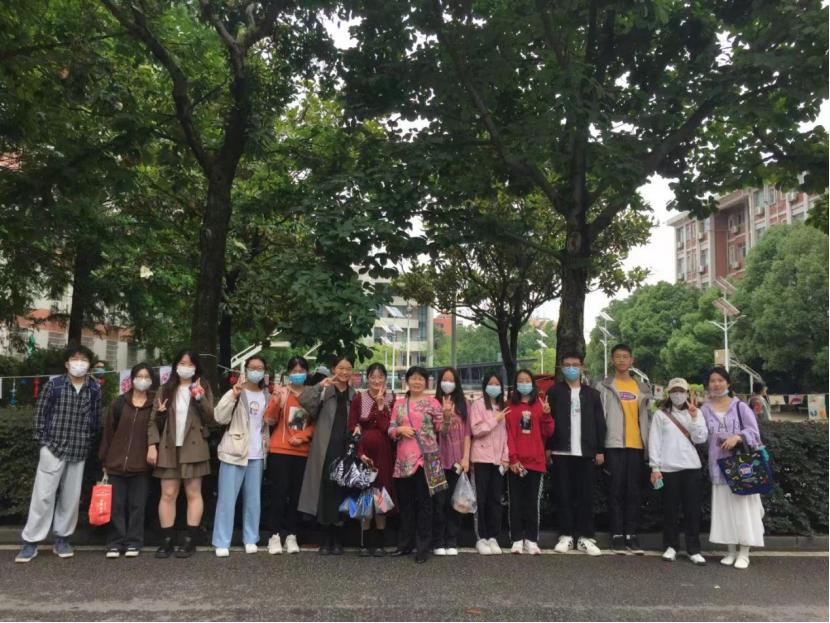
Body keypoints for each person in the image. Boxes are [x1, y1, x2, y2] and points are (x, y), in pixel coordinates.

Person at [15, 345, 103, 563]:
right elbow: (40, 415)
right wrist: (44, 443)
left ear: (89, 365)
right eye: (75, 359)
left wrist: (87, 441)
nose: (79, 363)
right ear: (67, 363)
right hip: (53, 448)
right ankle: (31, 541)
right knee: (43, 496)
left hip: (79, 449)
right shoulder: (54, 385)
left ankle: (63, 539)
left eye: (84, 360)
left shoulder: (94, 389)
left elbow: (95, 420)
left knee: (70, 498)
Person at [147, 350, 214, 558]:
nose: (186, 367)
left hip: (194, 446)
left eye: (190, 364)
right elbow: (152, 420)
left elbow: (212, 417)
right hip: (168, 446)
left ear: (196, 367)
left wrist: (200, 397)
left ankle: (189, 540)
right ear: (175, 366)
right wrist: (152, 445)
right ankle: (166, 540)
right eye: (182, 363)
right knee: (168, 493)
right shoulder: (165, 388)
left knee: (193, 493)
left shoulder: (202, 386)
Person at [701, 366, 765, 570]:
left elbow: (754, 432)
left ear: (728, 383)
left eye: (720, 380)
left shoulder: (740, 406)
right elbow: (700, 435)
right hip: (718, 467)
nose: (716, 384)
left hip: (742, 467)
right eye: (712, 380)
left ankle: (744, 553)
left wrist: (737, 437)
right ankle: (730, 551)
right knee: (725, 511)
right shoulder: (704, 409)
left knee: (743, 510)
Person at [595, 343, 652, 555]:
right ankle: (617, 534)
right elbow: (598, 418)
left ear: (631, 360)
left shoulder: (642, 388)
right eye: (618, 356)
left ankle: (631, 534)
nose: (621, 360)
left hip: (636, 445)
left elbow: (648, 418)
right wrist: (600, 446)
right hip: (613, 445)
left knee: (633, 492)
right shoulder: (603, 386)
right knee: (615, 490)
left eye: (625, 356)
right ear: (612, 360)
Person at [211, 355, 270, 557]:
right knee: (227, 499)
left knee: (253, 501)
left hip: (257, 454)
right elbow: (219, 417)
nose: (256, 371)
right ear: (245, 370)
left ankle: (250, 538)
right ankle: (222, 540)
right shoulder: (236, 391)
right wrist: (233, 396)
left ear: (265, 371)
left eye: (260, 368)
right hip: (234, 451)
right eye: (252, 367)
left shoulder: (267, 395)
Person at [548, 353, 605, 557]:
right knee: (563, 494)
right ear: (561, 368)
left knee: (585, 496)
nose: (571, 368)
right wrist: (548, 448)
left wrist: (600, 449)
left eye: (575, 365)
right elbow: (548, 422)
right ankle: (565, 535)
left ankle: (585, 537)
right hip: (561, 451)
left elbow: (599, 423)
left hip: (586, 452)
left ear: (582, 368)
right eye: (567, 365)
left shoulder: (593, 394)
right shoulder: (554, 392)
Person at [298, 356, 356, 555]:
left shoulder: (354, 395)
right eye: (340, 368)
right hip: (325, 449)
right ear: (334, 369)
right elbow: (304, 401)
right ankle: (325, 539)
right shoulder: (325, 391)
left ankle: (338, 539)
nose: (344, 372)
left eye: (348, 368)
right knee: (324, 492)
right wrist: (319, 386)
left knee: (341, 492)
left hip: (345, 449)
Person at [648, 377, 708, 565]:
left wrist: (694, 417)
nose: (678, 394)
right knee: (670, 510)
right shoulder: (660, 415)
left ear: (687, 393)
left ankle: (693, 549)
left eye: (681, 391)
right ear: (669, 393)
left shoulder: (696, 412)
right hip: (668, 468)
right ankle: (671, 546)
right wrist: (655, 467)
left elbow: (700, 438)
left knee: (692, 511)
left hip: (692, 468)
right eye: (674, 391)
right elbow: (654, 441)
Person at [98, 363, 156, 558]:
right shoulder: (119, 403)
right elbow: (108, 433)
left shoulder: (155, 404)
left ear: (152, 381)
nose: (142, 380)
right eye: (139, 376)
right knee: (116, 505)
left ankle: (134, 542)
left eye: (146, 377)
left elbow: (158, 430)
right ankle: (115, 542)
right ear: (132, 379)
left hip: (141, 465)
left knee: (138, 505)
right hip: (115, 463)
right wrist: (104, 460)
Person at [263, 356, 319, 555]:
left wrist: (303, 437)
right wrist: (275, 401)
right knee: (279, 493)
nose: (297, 374)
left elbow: (316, 424)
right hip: (280, 450)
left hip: (302, 451)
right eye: (294, 371)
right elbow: (269, 419)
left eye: (301, 371)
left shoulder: (312, 395)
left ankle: (292, 535)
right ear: (288, 373)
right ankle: (274, 535)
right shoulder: (283, 393)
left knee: (296, 495)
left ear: (307, 373)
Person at [389, 366, 445, 564]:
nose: (417, 382)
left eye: (421, 379)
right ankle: (405, 544)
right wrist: (400, 430)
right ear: (407, 381)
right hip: (404, 460)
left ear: (426, 382)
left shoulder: (434, 403)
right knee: (406, 504)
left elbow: (441, 429)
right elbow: (391, 429)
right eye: (413, 378)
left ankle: (423, 547)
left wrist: (446, 415)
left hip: (428, 459)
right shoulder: (399, 404)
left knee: (426, 505)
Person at [347, 362, 396, 556]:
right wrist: (360, 452)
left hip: (384, 453)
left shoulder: (391, 398)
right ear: (367, 378)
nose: (376, 381)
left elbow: (387, 428)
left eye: (380, 377)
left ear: (385, 379)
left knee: (381, 494)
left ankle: (380, 542)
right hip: (364, 452)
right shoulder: (359, 398)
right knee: (365, 496)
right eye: (373, 377)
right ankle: (365, 542)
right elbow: (353, 425)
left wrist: (382, 405)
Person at [505, 369, 554, 555]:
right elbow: (508, 434)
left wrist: (547, 415)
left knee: (532, 503)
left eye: (527, 380)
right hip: (516, 463)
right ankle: (517, 539)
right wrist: (513, 458)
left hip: (535, 461)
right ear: (515, 384)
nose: (524, 383)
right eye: (520, 380)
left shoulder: (540, 404)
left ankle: (532, 539)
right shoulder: (510, 406)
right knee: (515, 502)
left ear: (532, 384)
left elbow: (548, 432)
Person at [432, 367, 471, 556]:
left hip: (457, 460)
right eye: (444, 379)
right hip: (437, 460)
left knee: (455, 501)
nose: (448, 383)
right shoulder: (433, 403)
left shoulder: (464, 404)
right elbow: (441, 432)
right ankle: (438, 540)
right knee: (438, 502)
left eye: (451, 380)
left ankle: (452, 540)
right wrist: (446, 415)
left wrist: (466, 457)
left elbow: (467, 433)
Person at [469, 372, 509, 555]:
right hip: (481, 458)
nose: (494, 387)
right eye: (491, 384)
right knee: (481, 499)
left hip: (498, 461)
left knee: (495, 499)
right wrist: (495, 420)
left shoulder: (503, 406)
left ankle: (493, 536)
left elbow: (507, 435)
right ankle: (481, 537)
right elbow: (476, 430)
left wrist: (505, 457)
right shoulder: (478, 405)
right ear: (485, 386)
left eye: (497, 384)